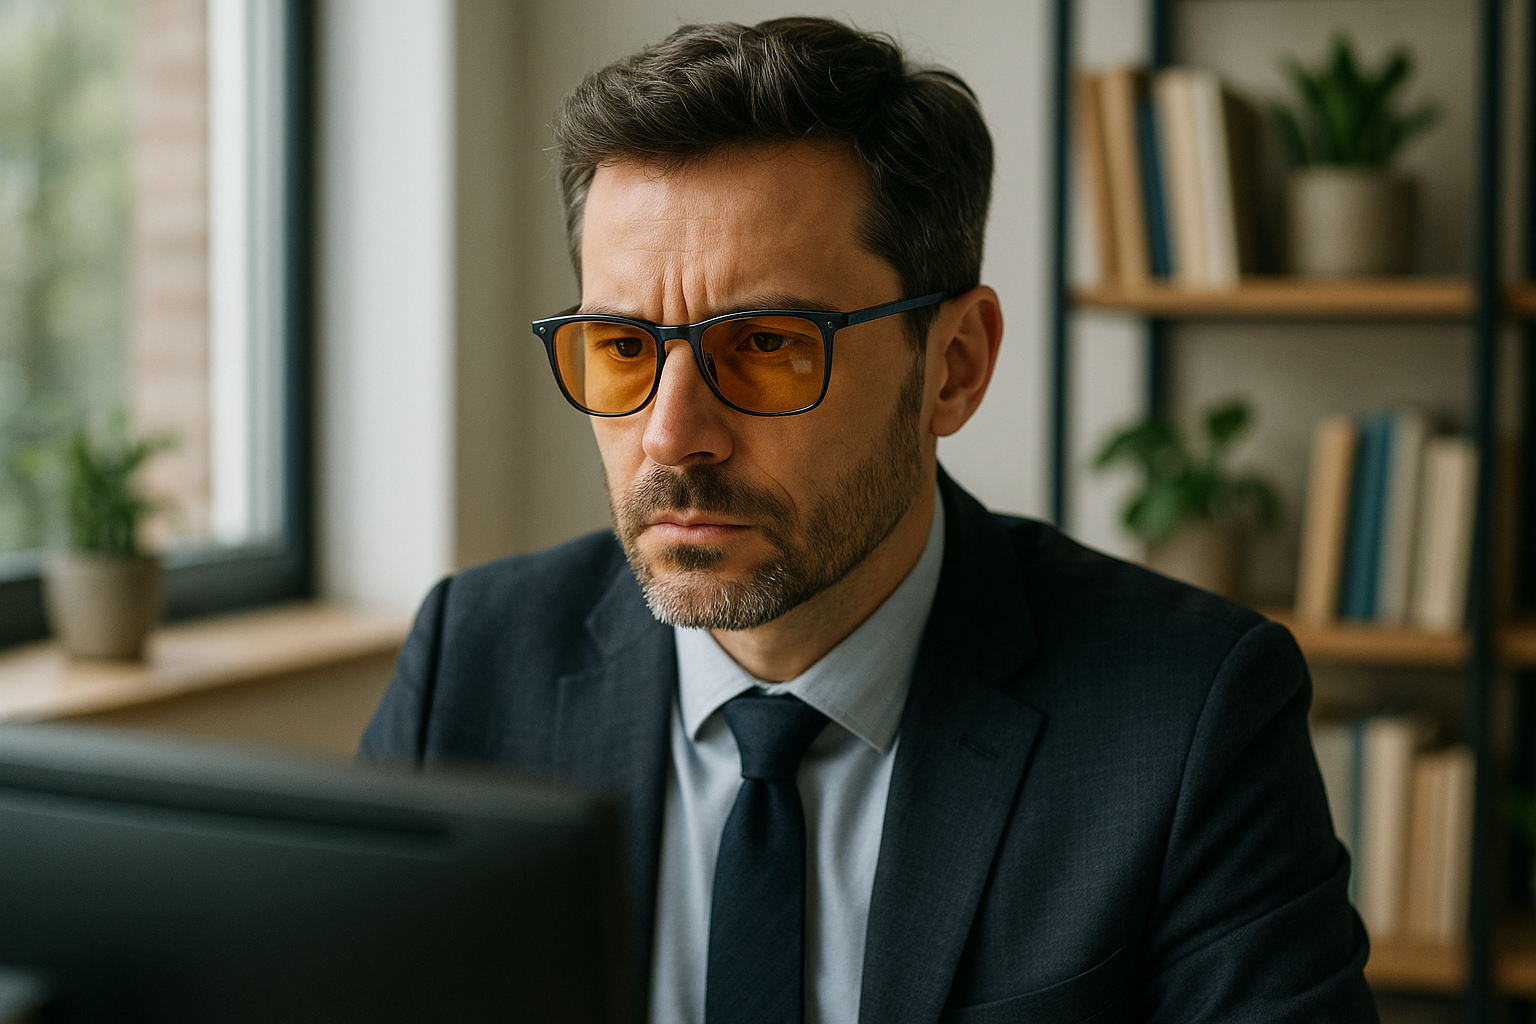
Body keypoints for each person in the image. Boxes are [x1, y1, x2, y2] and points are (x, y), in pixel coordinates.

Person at [361, 16, 1375, 1024]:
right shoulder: (472, 661)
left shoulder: (1190, 718)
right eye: (623, 349)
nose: (671, 437)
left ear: (956, 366)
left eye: (765, 345)